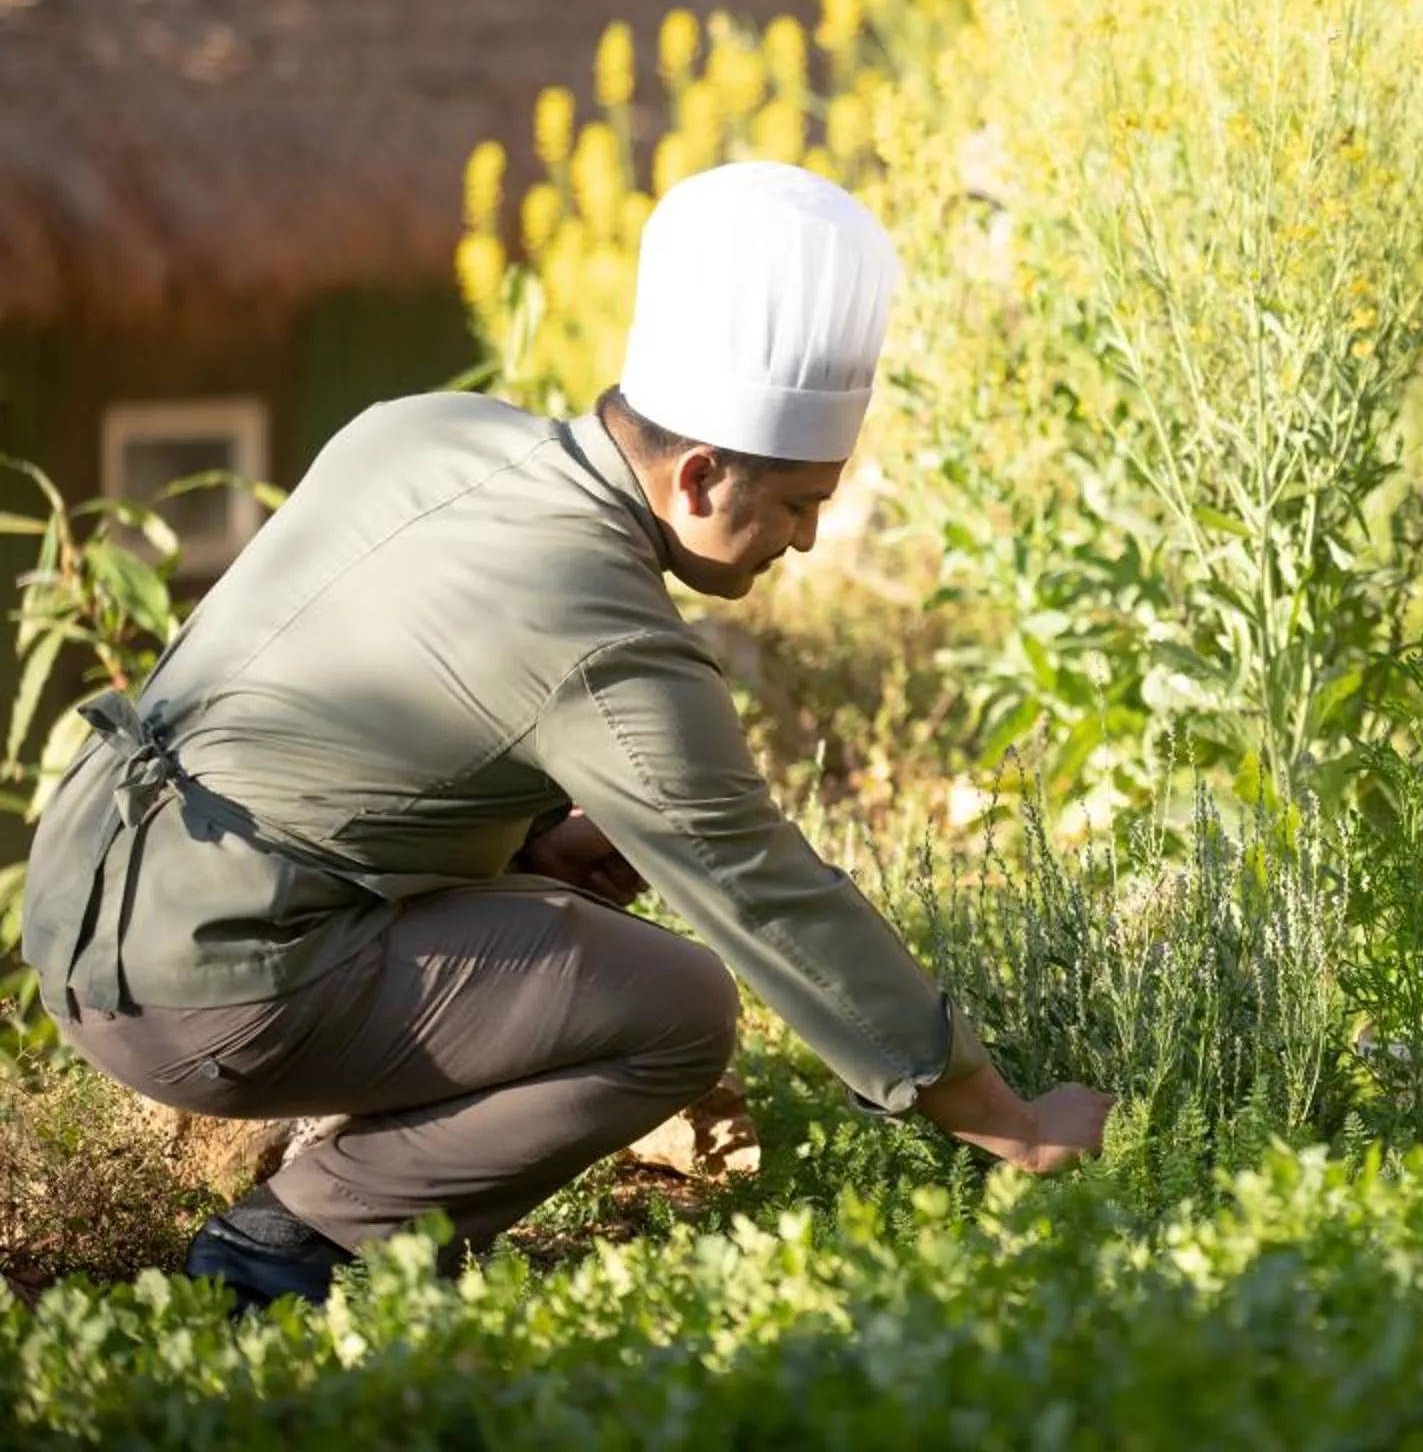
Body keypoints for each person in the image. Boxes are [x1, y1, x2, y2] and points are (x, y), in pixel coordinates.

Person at [20, 162, 1113, 1311]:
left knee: (574, 918)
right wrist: (1012, 1121)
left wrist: (530, 839)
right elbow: (774, 898)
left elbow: (336, 697)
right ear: (699, 474)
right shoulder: (613, 639)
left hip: (80, 897)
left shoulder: (425, 429)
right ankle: (292, 1247)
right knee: (680, 1005)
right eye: (799, 501)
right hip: (200, 995)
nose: (805, 537)